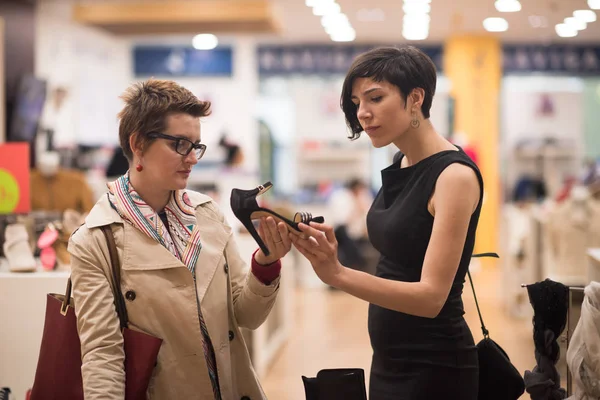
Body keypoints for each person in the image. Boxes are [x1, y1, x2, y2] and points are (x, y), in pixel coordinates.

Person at [68, 79, 292, 399]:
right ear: (138, 143)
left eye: (196, 145)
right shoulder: (96, 241)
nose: (193, 158)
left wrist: (265, 263)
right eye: (180, 144)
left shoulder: (206, 214)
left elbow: (247, 316)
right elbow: (102, 355)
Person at [290, 46, 483, 400]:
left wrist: (338, 274)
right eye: (356, 102)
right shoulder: (402, 162)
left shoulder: (453, 176)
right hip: (390, 359)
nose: (362, 113)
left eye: (375, 98)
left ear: (415, 98)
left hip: (436, 367)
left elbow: (431, 298)